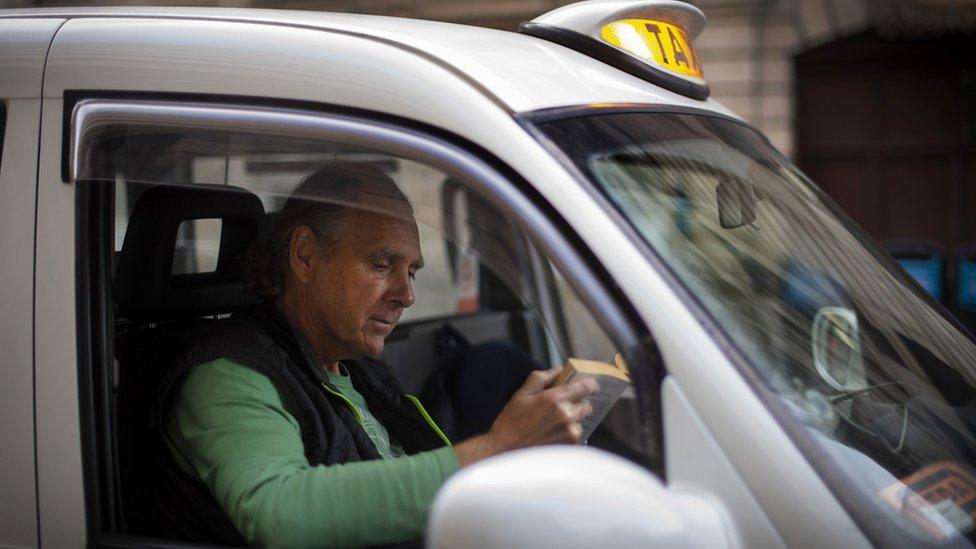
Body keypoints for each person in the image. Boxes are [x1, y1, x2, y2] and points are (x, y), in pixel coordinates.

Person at [155, 162, 599, 548]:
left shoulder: (360, 370)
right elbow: (279, 512)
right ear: (306, 256)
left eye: (412, 272)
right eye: (382, 266)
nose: (406, 295)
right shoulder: (228, 374)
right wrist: (494, 449)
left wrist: (516, 461)